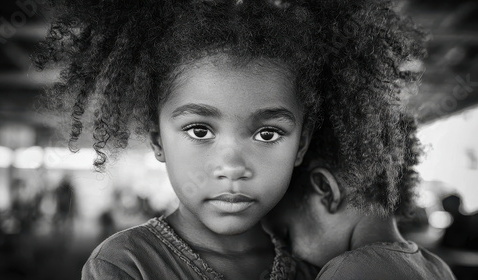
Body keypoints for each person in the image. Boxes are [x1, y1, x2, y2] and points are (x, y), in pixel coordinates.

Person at [33, 0, 426, 279]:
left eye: (267, 133)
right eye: (199, 131)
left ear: (301, 145)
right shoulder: (124, 264)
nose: (233, 166)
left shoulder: (317, 266)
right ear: (157, 141)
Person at [266, 107, 457, 278]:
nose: (292, 255)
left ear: (325, 189)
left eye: (287, 235)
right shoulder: (438, 268)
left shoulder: (347, 271)